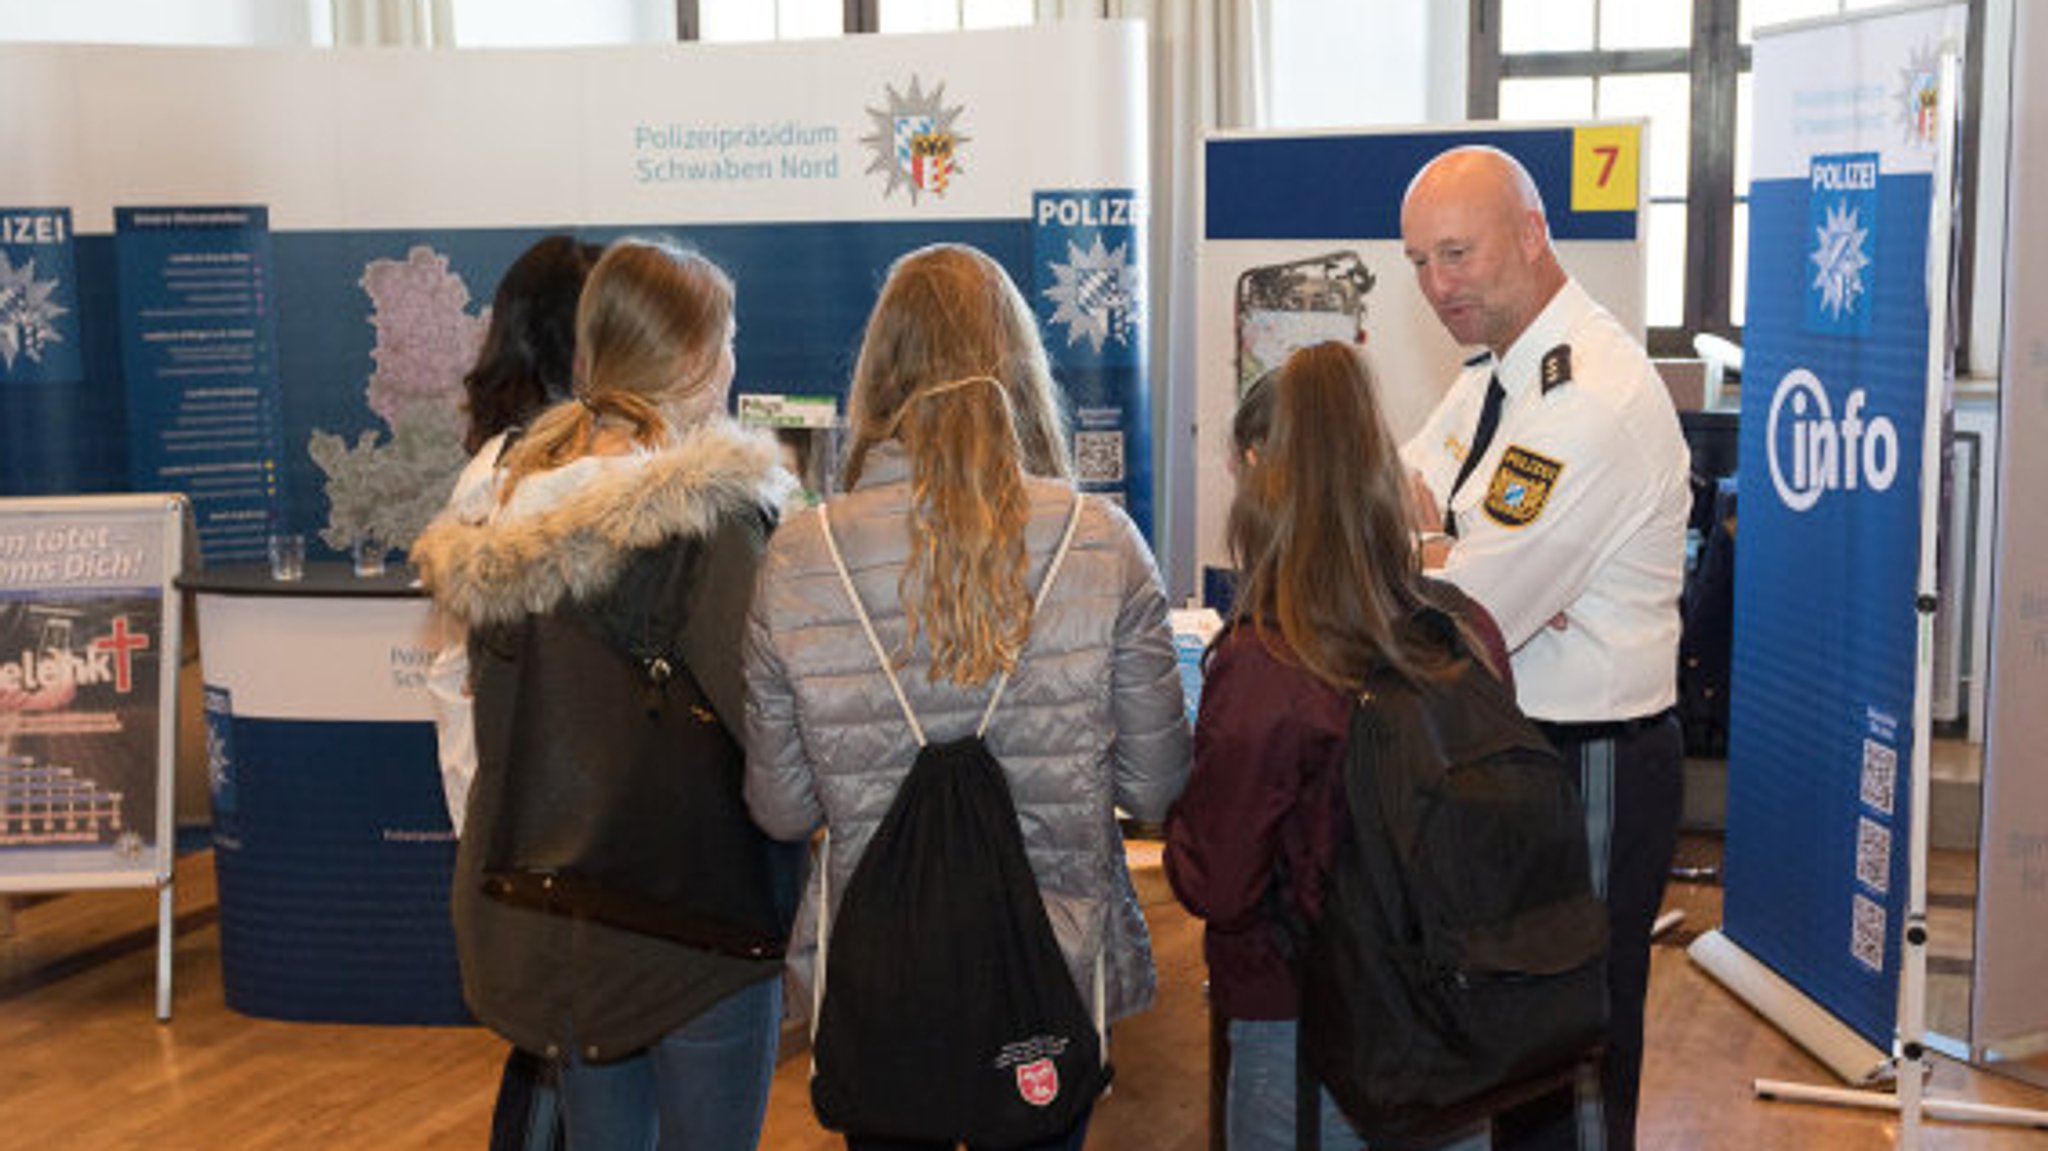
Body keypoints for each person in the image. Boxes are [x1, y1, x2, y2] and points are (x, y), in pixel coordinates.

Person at [742, 242, 1191, 1151]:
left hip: (883, 978)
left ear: (879, 372)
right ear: (1020, 365)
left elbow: (783, 809)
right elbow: (1154, 790)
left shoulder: (799, 555)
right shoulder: (1099, 543)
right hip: (1049, 974)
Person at [412, 238, 794, 1150]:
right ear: (699, 359)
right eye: (728, 338)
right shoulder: (712, 520)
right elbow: (765, 724)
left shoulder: (498, 504)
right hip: (697, 930)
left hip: (553, 920)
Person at [1398, 145, 1691, 1151]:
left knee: (1576, 1031)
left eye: (1455, 253)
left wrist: (1446, 551)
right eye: (1418, 263)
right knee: (1517, 1026)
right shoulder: (1493, 374)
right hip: (1518, 746)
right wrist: (1440, 545)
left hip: (1589, 756)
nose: (1437, 286)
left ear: (1531, 234)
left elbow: (1462, 608)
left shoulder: (1588, 396)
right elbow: (1391, 508)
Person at [1164, 341, 1507, 1151]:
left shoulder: (1266, 659)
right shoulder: (1465, 627)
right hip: (1460, 1025)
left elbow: (1218, 879)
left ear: (1255, 466)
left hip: (1302, 1031)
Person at [427, 233, 599, 1151]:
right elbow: (466, 678)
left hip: (521, 820)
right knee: (563, 1064)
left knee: (556, 1059)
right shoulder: (518, 477)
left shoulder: (500, 466)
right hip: (541, 826)